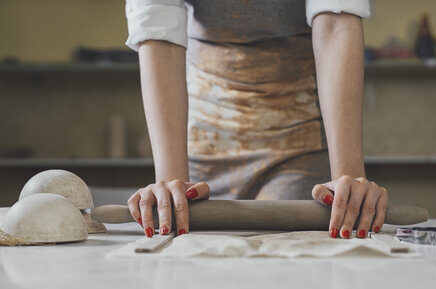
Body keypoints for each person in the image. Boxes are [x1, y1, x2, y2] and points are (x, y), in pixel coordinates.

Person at [124, 0, 388, 239]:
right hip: (203, 145)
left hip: (297, 145)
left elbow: (335, 20)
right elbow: (158, 32)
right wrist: (173, 184)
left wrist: (347, 179)